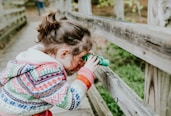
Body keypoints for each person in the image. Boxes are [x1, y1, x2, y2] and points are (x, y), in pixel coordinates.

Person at [0, 11, 99, 116]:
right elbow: (70, 101)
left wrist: (77, 64)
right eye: (80, 57)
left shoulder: (34, 59)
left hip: (11, 108)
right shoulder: (46, 72)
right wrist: (86, 74)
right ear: (64, 53)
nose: (82, 61)